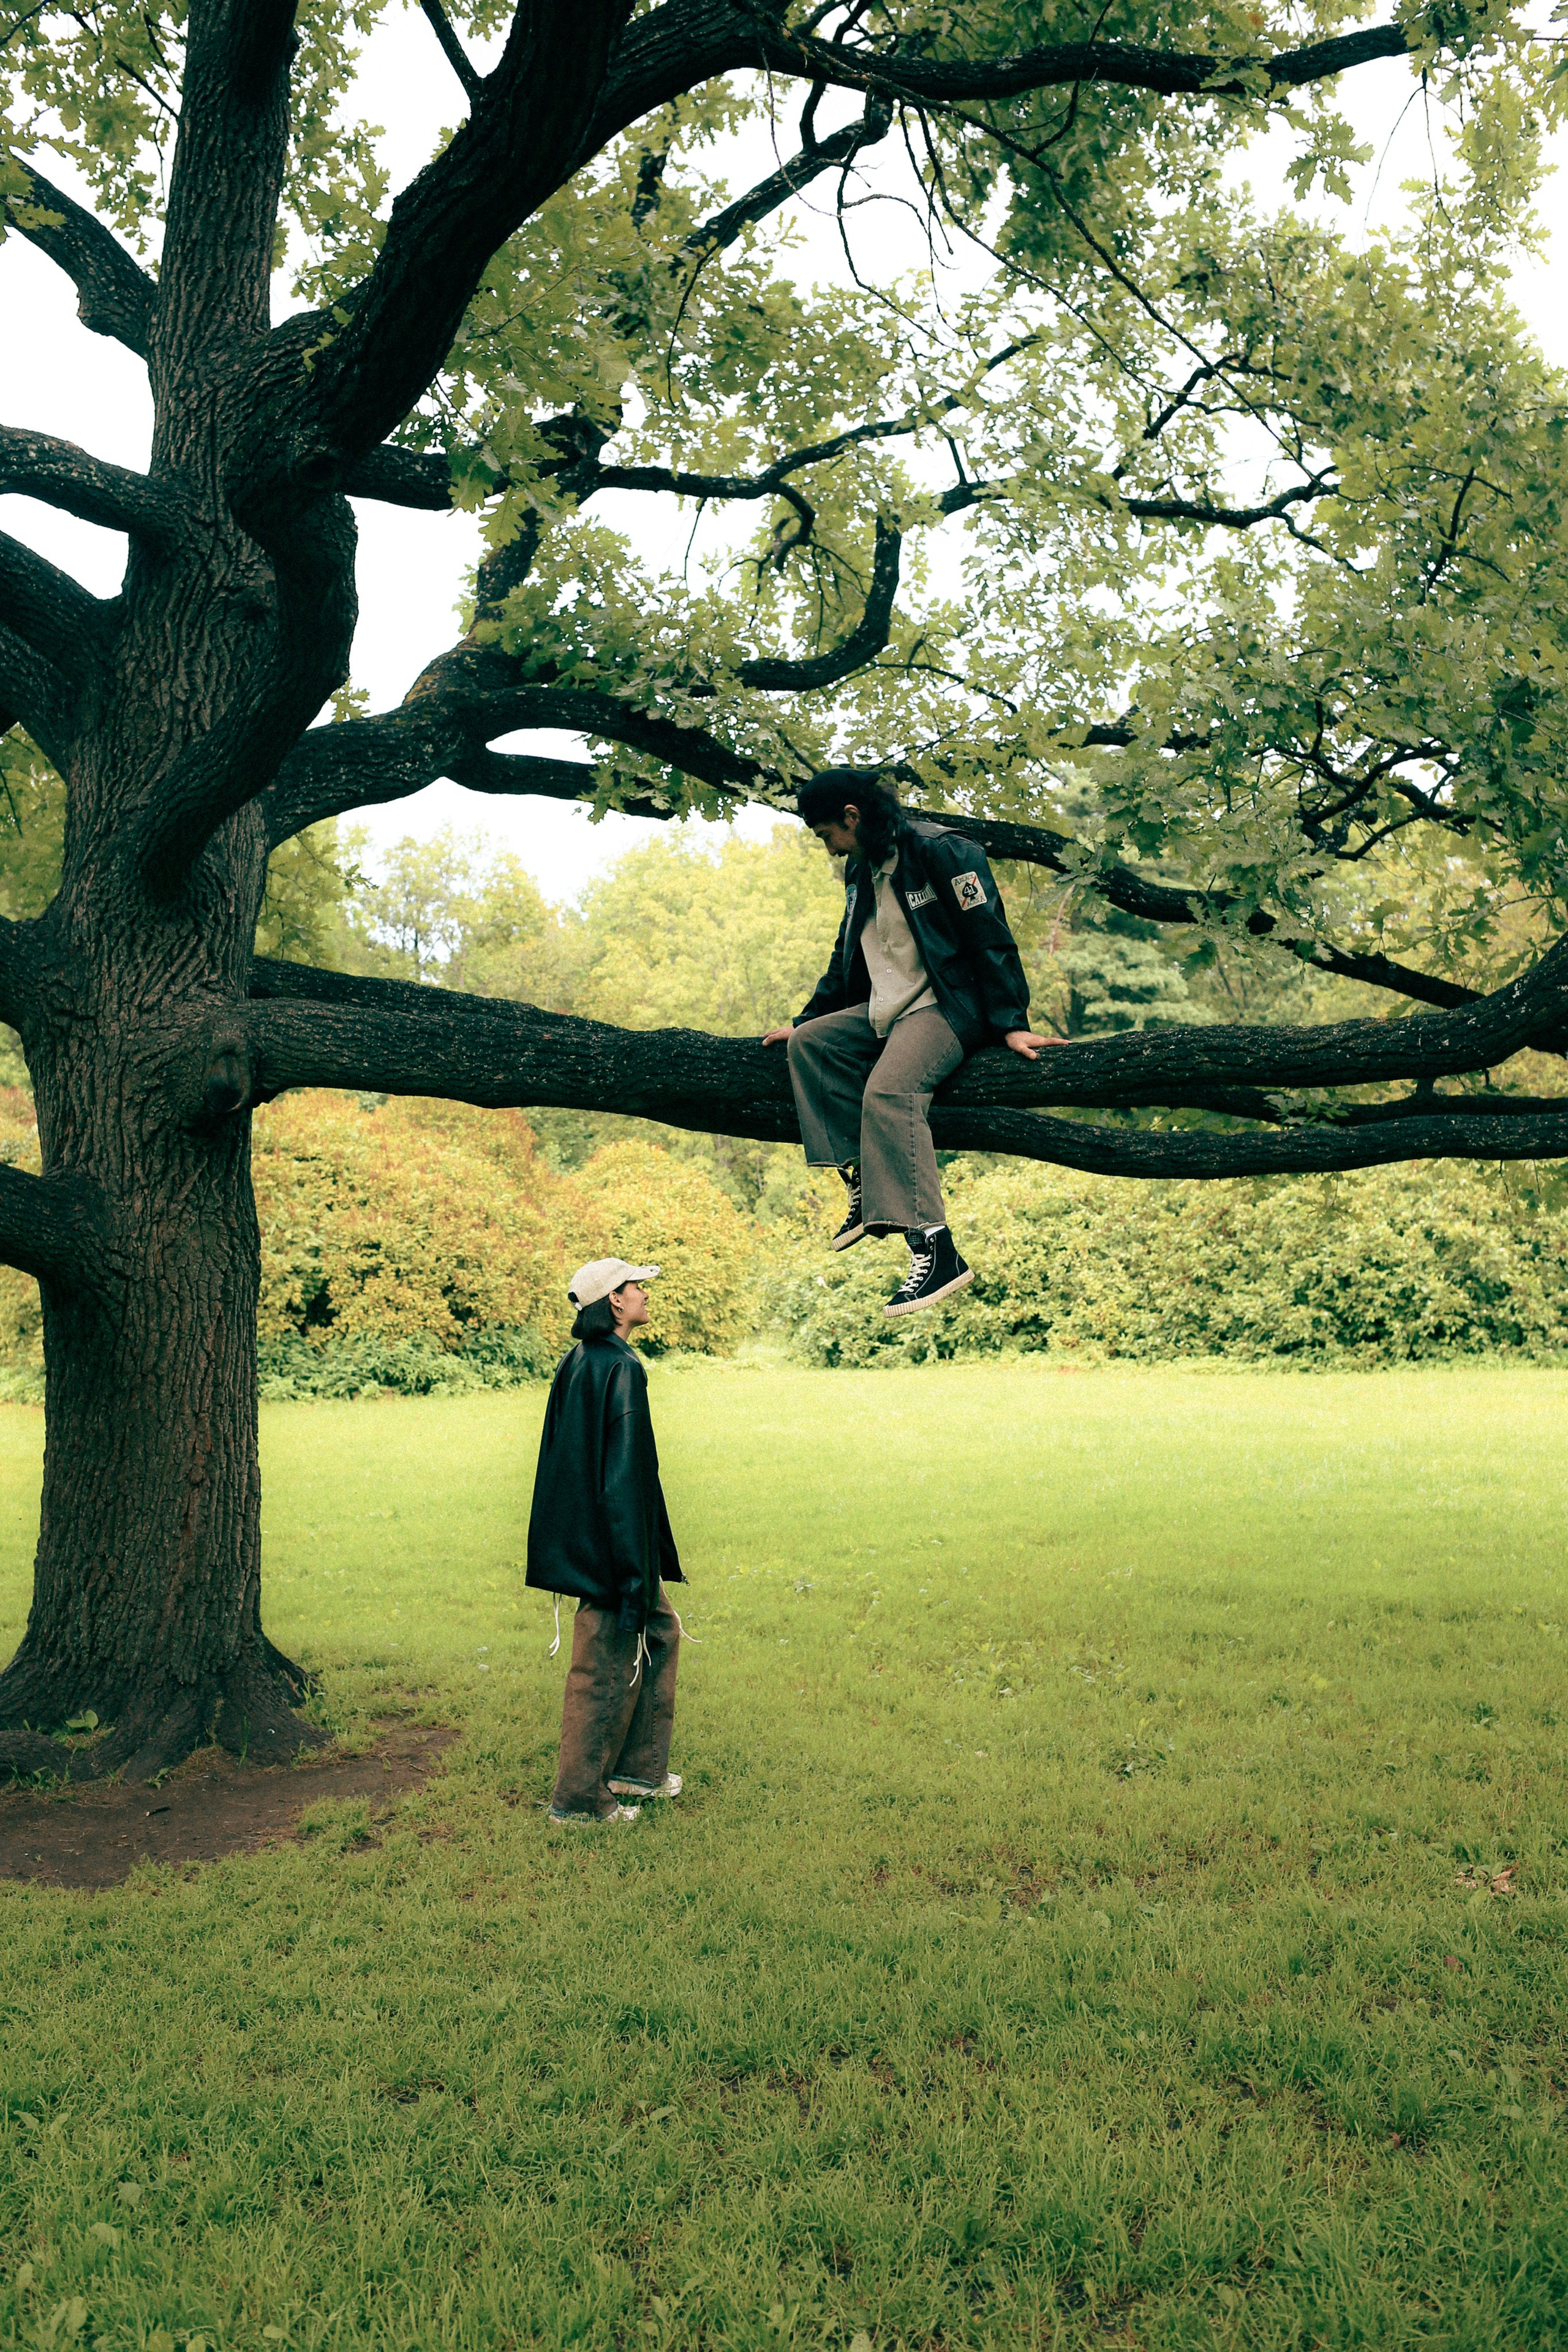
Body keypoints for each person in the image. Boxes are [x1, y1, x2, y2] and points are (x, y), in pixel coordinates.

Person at [763, 775, 1052, 1314]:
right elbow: (845, 954)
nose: (828, 849)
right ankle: (867, 1185)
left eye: (828, 834)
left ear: (852, 816)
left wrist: (1011, 1022)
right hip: (891, 1008)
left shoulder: (943, 851)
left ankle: (936, 1248)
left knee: (891, 1093)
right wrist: (805, 1020)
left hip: (949, 1006)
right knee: (809, 1045)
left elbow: (990, 935)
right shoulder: (860, 869)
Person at [527, 1258, 685, 1824]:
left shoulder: (582, 1361)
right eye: (637, 1286)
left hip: (603, 1542)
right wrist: (629, 1570)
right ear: (615, 1302)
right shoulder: (619, 1369)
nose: (645, 1294)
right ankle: (580, 1801)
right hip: (610, 1550)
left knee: (660, 1629)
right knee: (602, 1665)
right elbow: (621, 1478)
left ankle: (637, 1771)